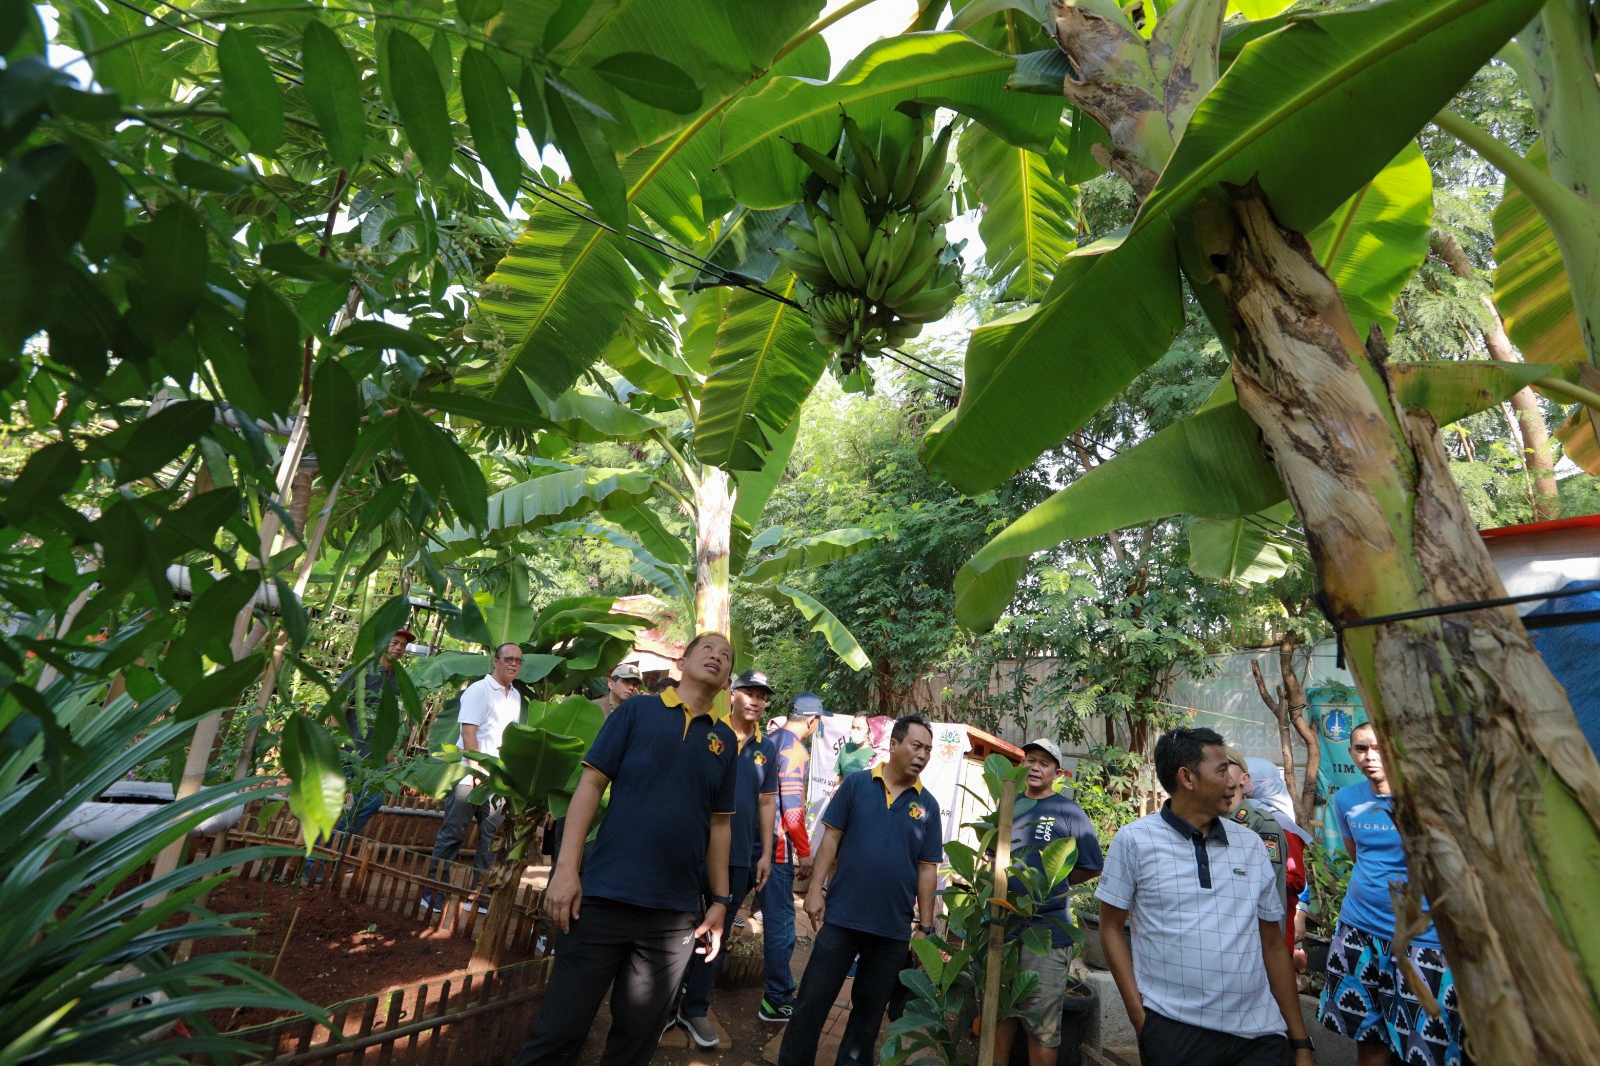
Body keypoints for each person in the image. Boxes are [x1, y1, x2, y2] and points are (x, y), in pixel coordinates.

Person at [511, 632, 739, 1066]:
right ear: (684, 660)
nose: (717, 656)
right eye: (707, 649)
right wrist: (565, 870)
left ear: (728, 680)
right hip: (603, 898)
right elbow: (591, 785)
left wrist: (721, 902)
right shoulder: (637, 712)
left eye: (726, 656)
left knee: (635, 1043)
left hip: (672, 919)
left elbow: (719, 825)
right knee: (559, 1030)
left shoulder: (725, 742)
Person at [1096, 726, 1314, 1066]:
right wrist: (1143, 1022)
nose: (1235, 781)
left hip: (1259, 1034)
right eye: (1222, 769)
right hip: (1175, 1033)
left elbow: (1272, 944)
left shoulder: (1251, 845)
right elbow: (1109, 928)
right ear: (1187, 778)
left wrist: (1300, 1042)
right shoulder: (1135, 841)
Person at [777, 715, 942, 1066]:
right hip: (842, 916)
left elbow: (928, 870)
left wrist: (925, 928)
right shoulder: (856, 784)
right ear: (894, 745)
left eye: (928, 749)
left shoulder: (927, 805)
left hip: (892, 930)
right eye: (916, 745)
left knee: (867, 1018)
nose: (922, 755)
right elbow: (831, 838)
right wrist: (815, 890)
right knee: (811, 1003)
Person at [1318, 721, 1470, 1066]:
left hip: (1423, 939)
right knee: (1368, 1037)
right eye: (1360, 749)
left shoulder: (1429, 802)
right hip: (1359, 931)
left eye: (1377, 747)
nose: (1369, 757)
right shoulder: (1347, 801)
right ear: (1351, 754)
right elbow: (1360, 857)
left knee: (1428, 1047)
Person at [669, 669, 779, 1048]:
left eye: (762, 695)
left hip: (739, 858)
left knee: (718, 929)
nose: (755, 700)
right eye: (748, 691)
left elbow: (767, 801)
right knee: (678, 924)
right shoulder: (710, 733)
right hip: (695, 847)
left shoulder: (768, 748)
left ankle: (695, 1007)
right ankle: (665, 1003)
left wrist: (766, 852)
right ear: (732, 694)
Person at [992, 738, 1105, 1066]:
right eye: (1030, 760)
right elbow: (992, 855)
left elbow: (1092, 863)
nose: (1035, 767)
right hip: (1004, 924)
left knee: (1041, 1024)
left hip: (1046, 932)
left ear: (1058, 772)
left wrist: (1055, 883)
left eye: (1044, 763)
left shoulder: (1068, 811)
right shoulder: (1010, 803)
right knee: (1000, 1011)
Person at [421, 643, 523, 913]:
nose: (513, 664)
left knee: (491, 837)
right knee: (453, 833)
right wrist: (476, 770)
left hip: (496, 778)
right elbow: (469, 734)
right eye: (508, 659)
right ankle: (433, 894)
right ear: (495, 662)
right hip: (469, 774)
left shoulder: (515, 696)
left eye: (518, 661)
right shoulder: (479, 690)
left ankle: (476, 897)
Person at [757, 691, 829, 1024]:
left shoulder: (769, 739)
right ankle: (777, 999)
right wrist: (805, 853)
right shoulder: (795, 750)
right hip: (778, 850)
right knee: (782, 926)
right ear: (813, 721)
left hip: (752, 844)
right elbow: (792, 810)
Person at [1245, 756, 1312, 956]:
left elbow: (1296, 878)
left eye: (1246, 778)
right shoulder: (1242, 816)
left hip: (1275, 919)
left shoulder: (1277, 822)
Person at [1224, 745, 1291, 930]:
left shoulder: (1261, 825)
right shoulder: (1205, 821)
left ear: (1244, 778)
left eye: (1226, 765)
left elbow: (1274, 894)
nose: (1219, 770)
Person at [834, 715, 874, 782]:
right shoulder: (846, 748)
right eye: (853, 727)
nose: (855, 731)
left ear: (868, 730)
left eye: (859, 728)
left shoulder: (875, 753)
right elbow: (839, 776)